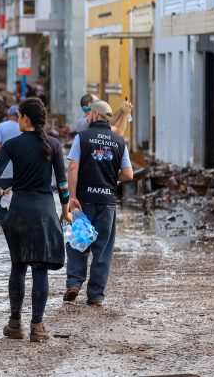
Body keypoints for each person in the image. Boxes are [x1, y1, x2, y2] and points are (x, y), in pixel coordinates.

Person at [0, 97, 71, 343]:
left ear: (25, 118)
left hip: (19, 210)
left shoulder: (12, 145)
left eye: (20, 117)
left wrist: (2, 193)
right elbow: (63, 185)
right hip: (45, 211)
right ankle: (37, 326)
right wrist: (65, 210)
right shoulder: (54, 145)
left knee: (18, 265)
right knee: (40, 269)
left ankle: (15, 324)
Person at [64, 100, 134, 307]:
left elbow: (73, 168)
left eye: (88, 115)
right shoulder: (119, 142)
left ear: (95, 116)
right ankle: (95, 295)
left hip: (83, 200)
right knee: (103, 249)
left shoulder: (82, 138)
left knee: (78, 241)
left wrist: (72, 197)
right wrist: (111, 177)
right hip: (107, 201)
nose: (86, 118)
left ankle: (74, 283)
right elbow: (129, 174)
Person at [0, 106, 21, 221]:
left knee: (2, 196)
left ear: (9, 115)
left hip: (4, 171)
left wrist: (3, 152)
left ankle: (2, 219)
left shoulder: (1, 126)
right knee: (19, 197)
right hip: (20, 171)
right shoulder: (23, 128)